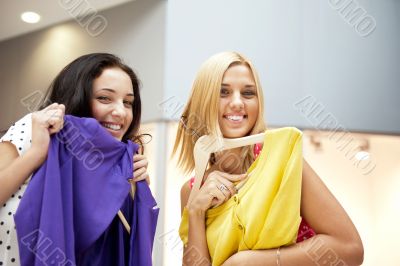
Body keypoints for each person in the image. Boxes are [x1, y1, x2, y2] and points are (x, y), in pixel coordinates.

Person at [173, 51, 364, 266]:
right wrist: (196, 213)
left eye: (248, 93)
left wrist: (249, 262)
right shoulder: (191, 190)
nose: (237, 102)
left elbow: (350, 249)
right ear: (203, 101)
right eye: (223, 92)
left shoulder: (283, 162)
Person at [0, 53, 150, 265]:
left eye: (128, 102)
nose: (120, 112)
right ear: (78, 96)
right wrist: (36, 153)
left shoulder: (120, 161)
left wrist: (132, 189)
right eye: (104, 98)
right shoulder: (36, 128)